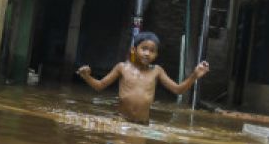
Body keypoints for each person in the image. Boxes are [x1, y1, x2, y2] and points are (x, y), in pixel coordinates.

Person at [76, 31, 209, 123]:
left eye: (152, 51)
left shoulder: (157, 71)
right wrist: (87, 76)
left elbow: (178, 90)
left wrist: (195, 75)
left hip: (142, 124)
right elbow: (99, 86)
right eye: (144, 48)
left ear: (156, 55)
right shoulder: (122, 67)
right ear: (134, 50)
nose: (147, 53)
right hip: (120, 121)